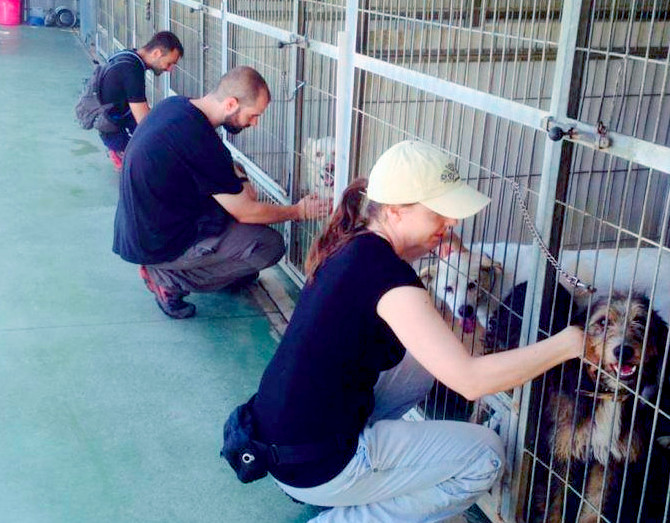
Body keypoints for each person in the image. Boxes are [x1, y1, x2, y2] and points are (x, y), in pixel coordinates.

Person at [241, 141, 584, 521]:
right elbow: (469, 381)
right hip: (314, 462)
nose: (452, 222)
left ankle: (353, 483)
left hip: (283, 444)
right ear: (394, 211)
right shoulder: (386, 275)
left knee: (422, 364)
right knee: (485, 456)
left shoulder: (356, 246)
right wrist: (568, 344)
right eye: (440, 212)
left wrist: (438, 246)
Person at [112, 66, 331, 319]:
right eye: (253, 115)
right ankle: (167, 278)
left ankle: (208, 269)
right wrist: (299, 211)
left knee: (238, 224)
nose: (255, 123)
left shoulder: (177, 107)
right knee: (268, 245)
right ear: (230, 104)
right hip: (157, 244)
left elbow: (228, 167)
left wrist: (240, 177)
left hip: (140, 229)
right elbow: (247, 212)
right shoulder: (199, 139)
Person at [98, 31, 184, 170]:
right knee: (157, 160)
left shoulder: (129, 56)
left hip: (110, 119)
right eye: (169, 63)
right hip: (114, 129)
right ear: (156, 53)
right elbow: (143, 121)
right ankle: (120, 151)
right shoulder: (131, 70)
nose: (169, 69)